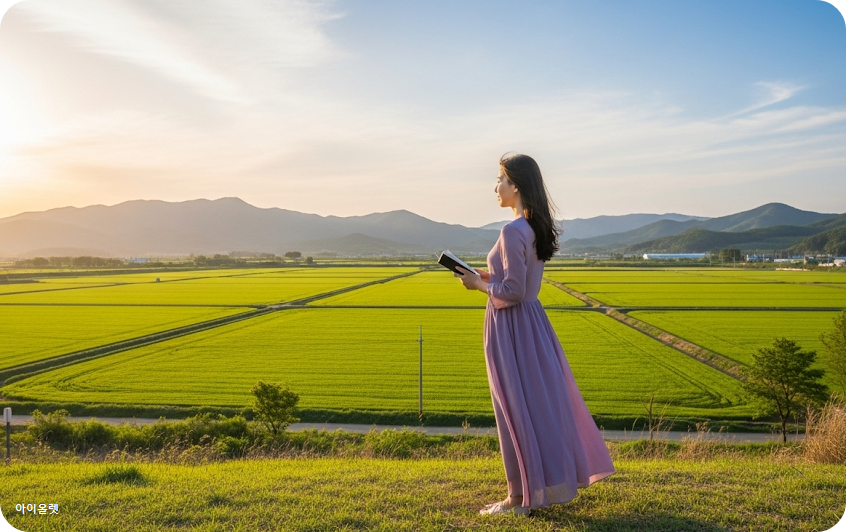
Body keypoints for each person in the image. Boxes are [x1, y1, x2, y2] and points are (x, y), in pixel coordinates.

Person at [454, 153, 615, 516]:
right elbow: (519, 283)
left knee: (512, 408)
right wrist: (483, 275)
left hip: (511, 327)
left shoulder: (511, 230)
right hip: (532, 325)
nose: (495, 187)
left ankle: (517, 499)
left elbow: (510, 291)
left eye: (500, 179)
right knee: (533, 407)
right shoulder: (531, 227)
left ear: (516, 185)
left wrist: (476, 286)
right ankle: (531, 489)